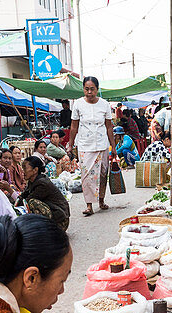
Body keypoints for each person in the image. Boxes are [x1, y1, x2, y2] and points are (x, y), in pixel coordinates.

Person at [68, 76, 115, 217]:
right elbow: (73, 127)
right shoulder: (77, 104)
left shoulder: (105, 105)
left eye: (92, 89)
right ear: (83, 89)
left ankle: (101, 201)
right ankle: (89, 205)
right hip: (84, 145)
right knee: (87, 176)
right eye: (86, 89)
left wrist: (114, 146)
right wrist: (70, 144)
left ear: (97, 89)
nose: (89, 92)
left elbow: (109, 127)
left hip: (102, 145)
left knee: (102, 174)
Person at [19, 155, 71, 231]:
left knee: (32, 202)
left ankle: (46, 230)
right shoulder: (32, 181)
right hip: (56, 216)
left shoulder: (42, 184)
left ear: (35, 170)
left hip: (61, 222)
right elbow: (23, 196)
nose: (23, 172)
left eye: (25, 168)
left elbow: (26, 201)